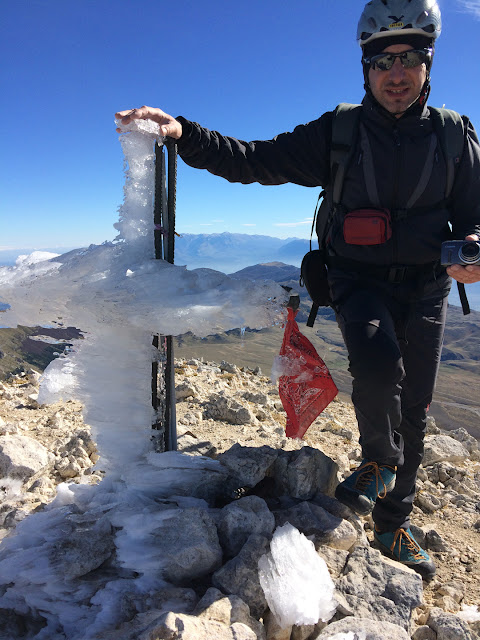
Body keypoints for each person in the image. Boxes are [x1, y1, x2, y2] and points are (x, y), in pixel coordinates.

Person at [116, 0, 480, 580]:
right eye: (382, 60)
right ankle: (380, 460)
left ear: (427, 63)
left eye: (408, 58)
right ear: (365, 68)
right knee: (379, 364)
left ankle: (392, 522)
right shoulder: (339, 133)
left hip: (428, 289)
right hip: (355, 280)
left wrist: (473, 251)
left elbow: (473, 216)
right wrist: (184, 133)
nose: (395, 73)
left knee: (415, 406)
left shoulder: (455, 137)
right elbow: (256, 160)